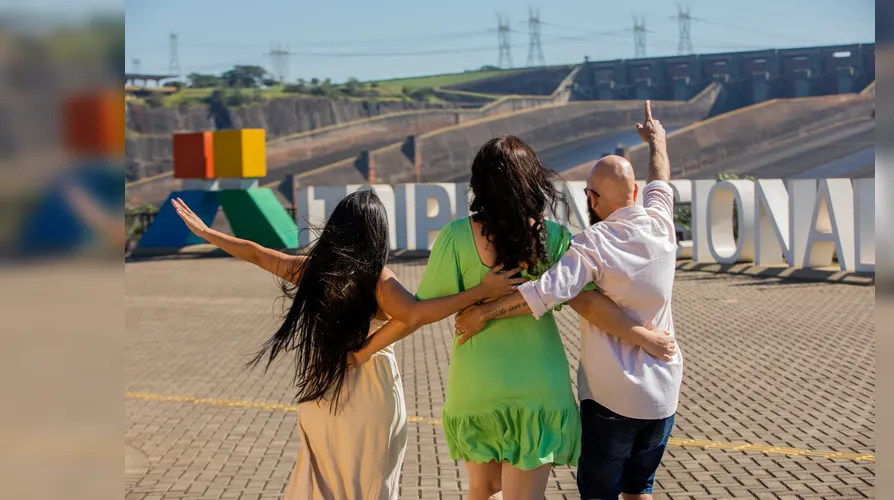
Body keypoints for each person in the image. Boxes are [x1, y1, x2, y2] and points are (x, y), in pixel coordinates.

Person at [351, 135, 675, 500]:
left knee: (483, 488)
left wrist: (362, 352)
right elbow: (591, 306)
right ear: (533, 181)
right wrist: (644, 338)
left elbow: (415, 313)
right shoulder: (554, 238)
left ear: (480, 184)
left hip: (478, 382)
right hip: (541, 386)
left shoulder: (456, 237)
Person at [170, 190, 527, 500]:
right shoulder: (379, 281)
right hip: (370, 395)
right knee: (370, 485)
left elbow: (258, 254)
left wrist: (207, 233)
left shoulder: (314, 270)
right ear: (377, 233)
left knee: (323, 484)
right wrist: (482, 291)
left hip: (320, 394)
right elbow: (415, 314)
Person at [455, 101, 683, 500]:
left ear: (591, 199)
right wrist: (656, 140)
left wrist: (485, 311)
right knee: (641, 488)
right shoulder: (662, 224)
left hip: (613, 398)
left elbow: (544, 292)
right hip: (664, 392)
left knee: (600, 493)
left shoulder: (591, 244)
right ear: (635, 193)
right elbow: (660, 176)